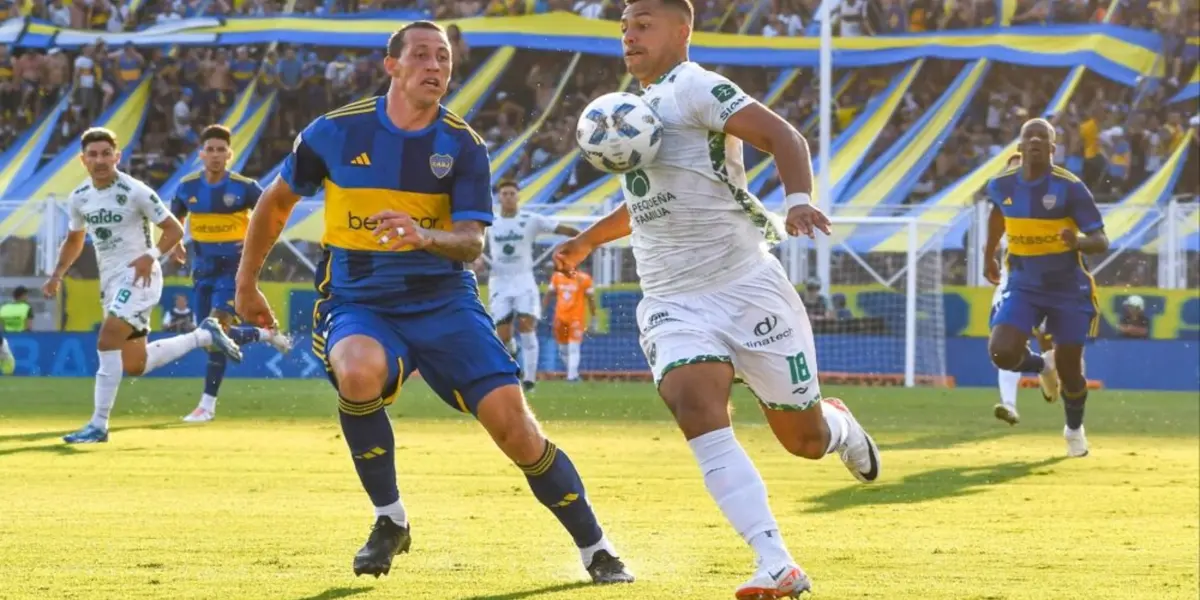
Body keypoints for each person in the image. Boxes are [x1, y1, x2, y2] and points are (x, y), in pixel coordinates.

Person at [232, 22, 633, 584]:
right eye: (421, 55)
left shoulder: (463, 145)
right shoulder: (334, 131)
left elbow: (471, 243)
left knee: (516, 430)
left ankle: (597, 548)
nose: (435, 66)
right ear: (391, 66)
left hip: (444, 302)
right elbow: (274, 204)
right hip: (359, 299)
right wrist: (246, 284)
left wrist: (423, 235)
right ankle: (389, 519)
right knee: (357, 370)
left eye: (443, 57)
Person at [552, 1, 880, 596]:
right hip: (672, 299)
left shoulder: (696, 87)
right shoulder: (633, 111)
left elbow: (784, 135)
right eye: (624, 27)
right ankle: (776, 562)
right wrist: (587, 240)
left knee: (803, 441)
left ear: (683, 30)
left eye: (643, 24)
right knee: (694, 405)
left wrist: (798, 200)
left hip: (745, 287)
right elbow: (651, 201)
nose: (630, 36)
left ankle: (839, 426)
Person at [42, 127, 242, 444]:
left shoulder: (136, 191)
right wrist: (57, 274)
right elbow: (75, 239)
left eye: (106, 153)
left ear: (117, 156)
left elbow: (174, 229)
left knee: (107, 337)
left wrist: (151, 256)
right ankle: (205, 335)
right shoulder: (79, 197)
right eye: (93, 155)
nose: (100, 160)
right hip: (111, 282)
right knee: (135, 364)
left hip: (140, 277)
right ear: (83, 160)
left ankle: (98, 425)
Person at [984, 117, 1108, 458]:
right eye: (1030, 136)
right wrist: (988, 254)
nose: (1036, 141)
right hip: (1024, 283)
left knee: (1071, 371)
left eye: (1043, 137)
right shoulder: (1001, 184)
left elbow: (1101, 240)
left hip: (1068, 289)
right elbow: (997, 215)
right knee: (1001, 352)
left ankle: (1073, 430)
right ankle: (1043, 365)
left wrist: (1078, 241)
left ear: (1053, 149)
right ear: (1020, 146)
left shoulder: (1071, 187)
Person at [170, 124, 292, 423]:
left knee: (216, 328)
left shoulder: (245, 187)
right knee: (208, 337)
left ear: (229, 154)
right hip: (202, 269)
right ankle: (265, 333)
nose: (215, 155)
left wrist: (258, 248)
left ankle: (206, 406)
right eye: (210, 149)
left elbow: (272, 213)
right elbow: (174, 219)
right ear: (201, 154)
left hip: (234, 269)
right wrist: (175, 243)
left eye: (220, 150)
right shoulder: (187, 187)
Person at [486, 179, 580, 392]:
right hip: (499, 281)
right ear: (499, 198)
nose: (508, 197)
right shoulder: (490, 222)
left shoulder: (531, 220)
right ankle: (512, 350)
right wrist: (476, 259)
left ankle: (529, 380)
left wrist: (585, 238)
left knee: (527, 327)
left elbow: (560, 228)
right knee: (503, 336)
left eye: (512, 193)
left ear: (518, 196)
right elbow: (476, 242)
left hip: (524, 280)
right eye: (504, 194)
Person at [989, 151, 1058, 425]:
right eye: (1011, 170)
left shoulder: (1051, 200)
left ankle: (1051, 375)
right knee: (1002, 348)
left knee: (1050, 341)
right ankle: (1010, 403)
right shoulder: (1003, 206)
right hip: (1012, 286)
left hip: (1047, 285)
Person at [543, 268, 596, 382]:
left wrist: (593, 316)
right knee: (563, 349)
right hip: (560, 318)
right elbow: (549, 293)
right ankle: (573, 374)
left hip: (576, 318)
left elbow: (591, 298)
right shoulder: (557, 277)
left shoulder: (585, 278)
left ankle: (571, 377)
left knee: (573, 347)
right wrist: (542, 310)